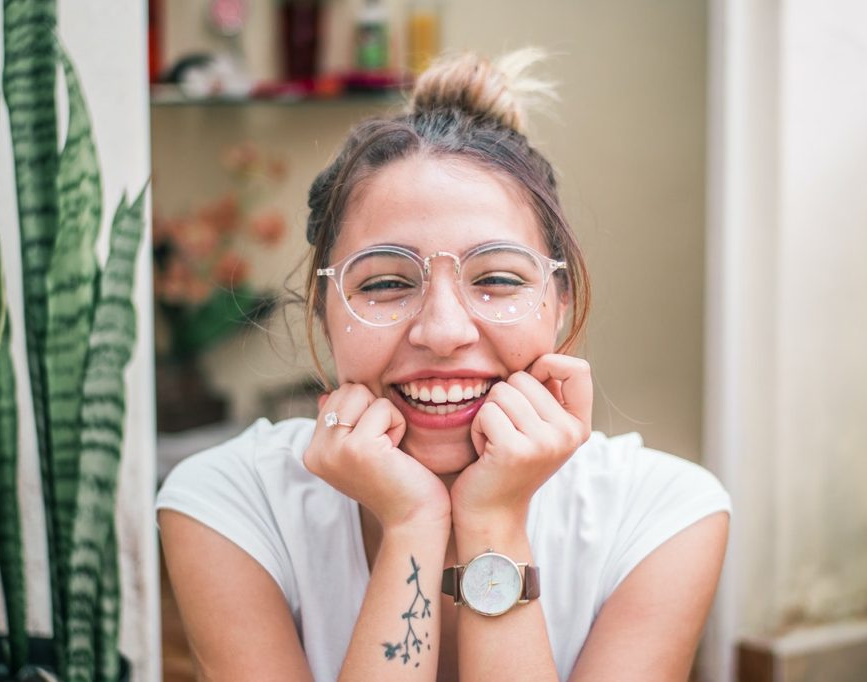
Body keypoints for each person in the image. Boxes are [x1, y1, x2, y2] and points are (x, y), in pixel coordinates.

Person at [156, 49, 730, 681]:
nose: (444, 331)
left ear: (559, 302)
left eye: (499, 278)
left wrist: (494, 523)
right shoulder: (230, 504)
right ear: (324, 309)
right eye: (384, 285)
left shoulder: (662, 514)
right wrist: (413, 526)